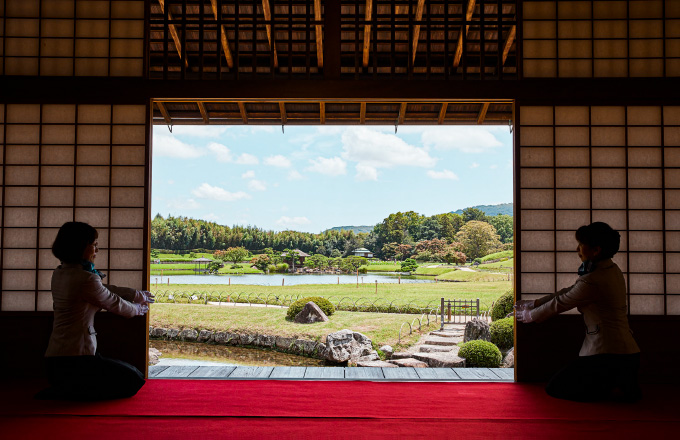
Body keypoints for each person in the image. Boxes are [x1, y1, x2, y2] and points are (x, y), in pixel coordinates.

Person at [514, 222, 641, 402]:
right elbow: (568, 290)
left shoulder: (594, 280)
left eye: (581, 244)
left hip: (607, 353)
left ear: (596, 250)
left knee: (555, 388)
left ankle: (609, 386)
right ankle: (617, 386)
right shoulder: (611, 270)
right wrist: (534, 303)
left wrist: (529, 315)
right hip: (627, 352)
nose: (577, 249)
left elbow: (562, 302)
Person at [37, 221, 154, 401]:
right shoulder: (85, 278)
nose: (96, 251)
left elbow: (103, 289)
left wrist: (136, 294)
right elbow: (113, 302)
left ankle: (65, 389)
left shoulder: (61, 272)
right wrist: (138, 309)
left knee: (133, 373)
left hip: (56, 359)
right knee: (134, 379)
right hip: (76, 359)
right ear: (80, 247)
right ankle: (69, 392)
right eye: (94, 245)